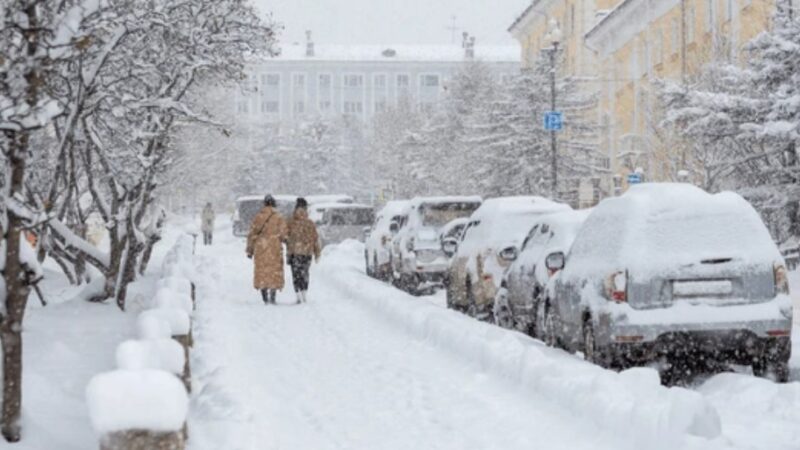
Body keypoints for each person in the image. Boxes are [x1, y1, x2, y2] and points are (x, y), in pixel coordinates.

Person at [246, 195, 288, 305]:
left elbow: (252, 234)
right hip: (274, 247)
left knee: (262, 270)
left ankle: (264, 295)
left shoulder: (258, 217)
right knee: (275, 271)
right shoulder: (279, 217)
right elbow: (284, 234)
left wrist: (250, 250)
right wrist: (284, 240)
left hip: (261, 247)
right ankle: (273, 295)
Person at [286, 198, 321, 304]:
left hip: (294, 252)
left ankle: (298, 294)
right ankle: (304, 293)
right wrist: (317, 253)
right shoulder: (310, 223)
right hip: (307, 252)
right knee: (305, 273)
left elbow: (285, 236)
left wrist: (289, 243)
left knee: (296, 274)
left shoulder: (290, 222)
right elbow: (315, 239)